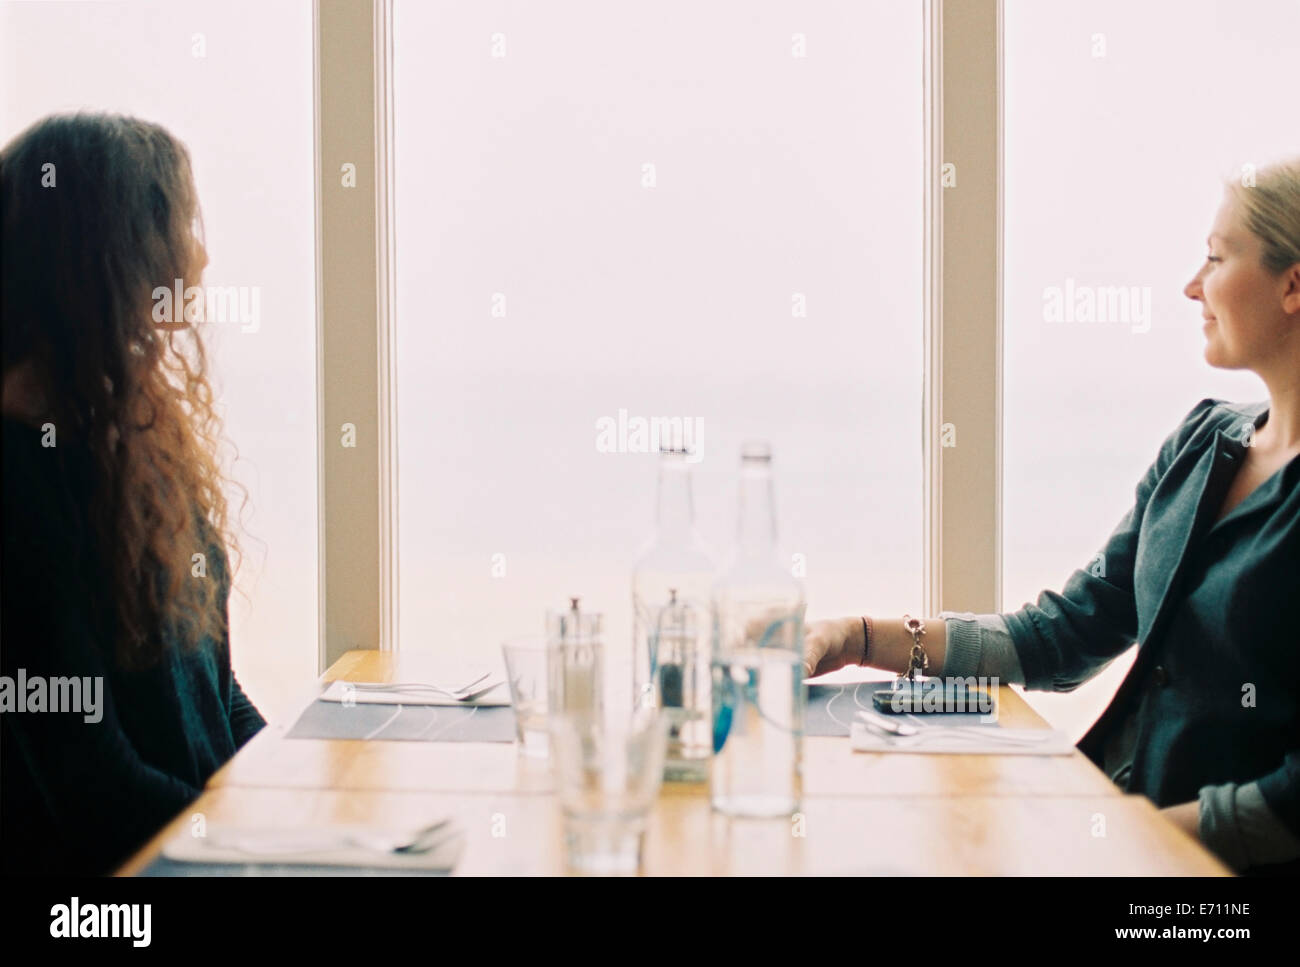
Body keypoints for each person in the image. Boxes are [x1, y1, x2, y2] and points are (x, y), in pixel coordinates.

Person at [805, 157, 1300, 875]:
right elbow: (1067, 633)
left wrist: (1127, 837)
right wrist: (855, 638)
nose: (1192, 285)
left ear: (1292, 285)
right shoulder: (1202, 443)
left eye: (1217, 258)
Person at [1, 113, 265, 875]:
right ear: (102, 256)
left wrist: (298, 789)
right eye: (172, 224)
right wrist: (260, 849)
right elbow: (93, 784)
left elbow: (214, 692)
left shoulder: (134, 436)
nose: (198, 254)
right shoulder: (19, 480)